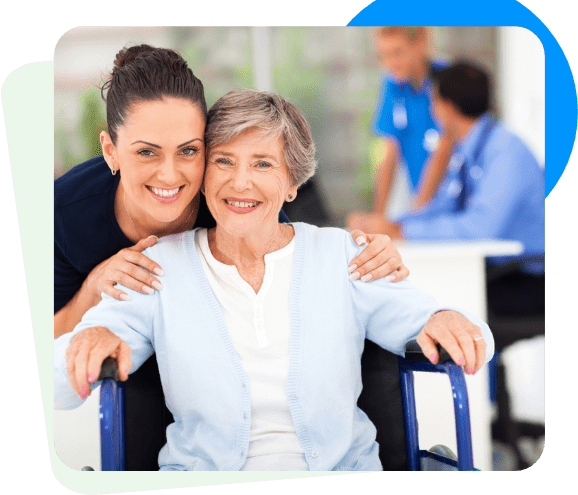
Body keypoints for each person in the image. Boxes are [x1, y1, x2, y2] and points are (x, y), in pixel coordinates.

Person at [55, 88, 494, 472]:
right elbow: (59, 388)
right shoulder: (160, 266)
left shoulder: (344, 256)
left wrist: (446, 317)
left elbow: (467, 337)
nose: (240, 182)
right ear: (204, 177)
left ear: (291, 184)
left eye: (263, 164)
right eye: (224, 161)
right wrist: (87, 338)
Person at [54, 44, 410, 341]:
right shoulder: (63, 215)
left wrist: (362, 263)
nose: (169, 174)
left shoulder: (230, 202)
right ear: (110, 150)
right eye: (146, 151)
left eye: (189, 150)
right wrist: (94, 286)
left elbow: (298, 275)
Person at [345, 62, 545, 315]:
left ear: (447, 107)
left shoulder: (506, 153)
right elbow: (443, 206)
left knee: (433, 303)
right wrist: (388, 224)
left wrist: (402, 231)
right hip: (501, 270)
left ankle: (471, 354)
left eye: (433, 102)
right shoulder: (469, 148)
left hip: (530, 276)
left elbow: (479, 228)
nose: (432, 110)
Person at [347, 26, 452, 229]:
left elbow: (443, 149)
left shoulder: (446, 79)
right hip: (418, 201)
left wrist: (417, 212)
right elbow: (390, 154)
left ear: (421, 44)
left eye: (397, 53)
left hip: (447, 203)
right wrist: (379, 218)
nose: (390, 63)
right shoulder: (392, 85)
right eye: (383, 55)